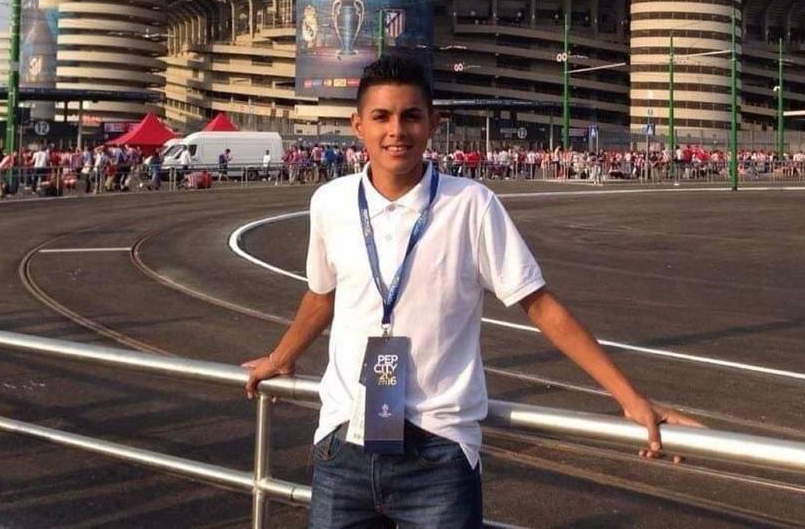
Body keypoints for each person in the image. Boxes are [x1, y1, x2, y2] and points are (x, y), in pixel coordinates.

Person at [242, 56, 699, 528]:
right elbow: (322, 297)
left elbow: (540, 305)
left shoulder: (471, 205)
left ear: (433, 124)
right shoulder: (331, 202)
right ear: (358, 125)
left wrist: (629, 398)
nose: (396, 130)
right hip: (344, 445)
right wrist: (280, 357)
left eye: (411, 116)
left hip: (438, 451)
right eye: (381, 116)